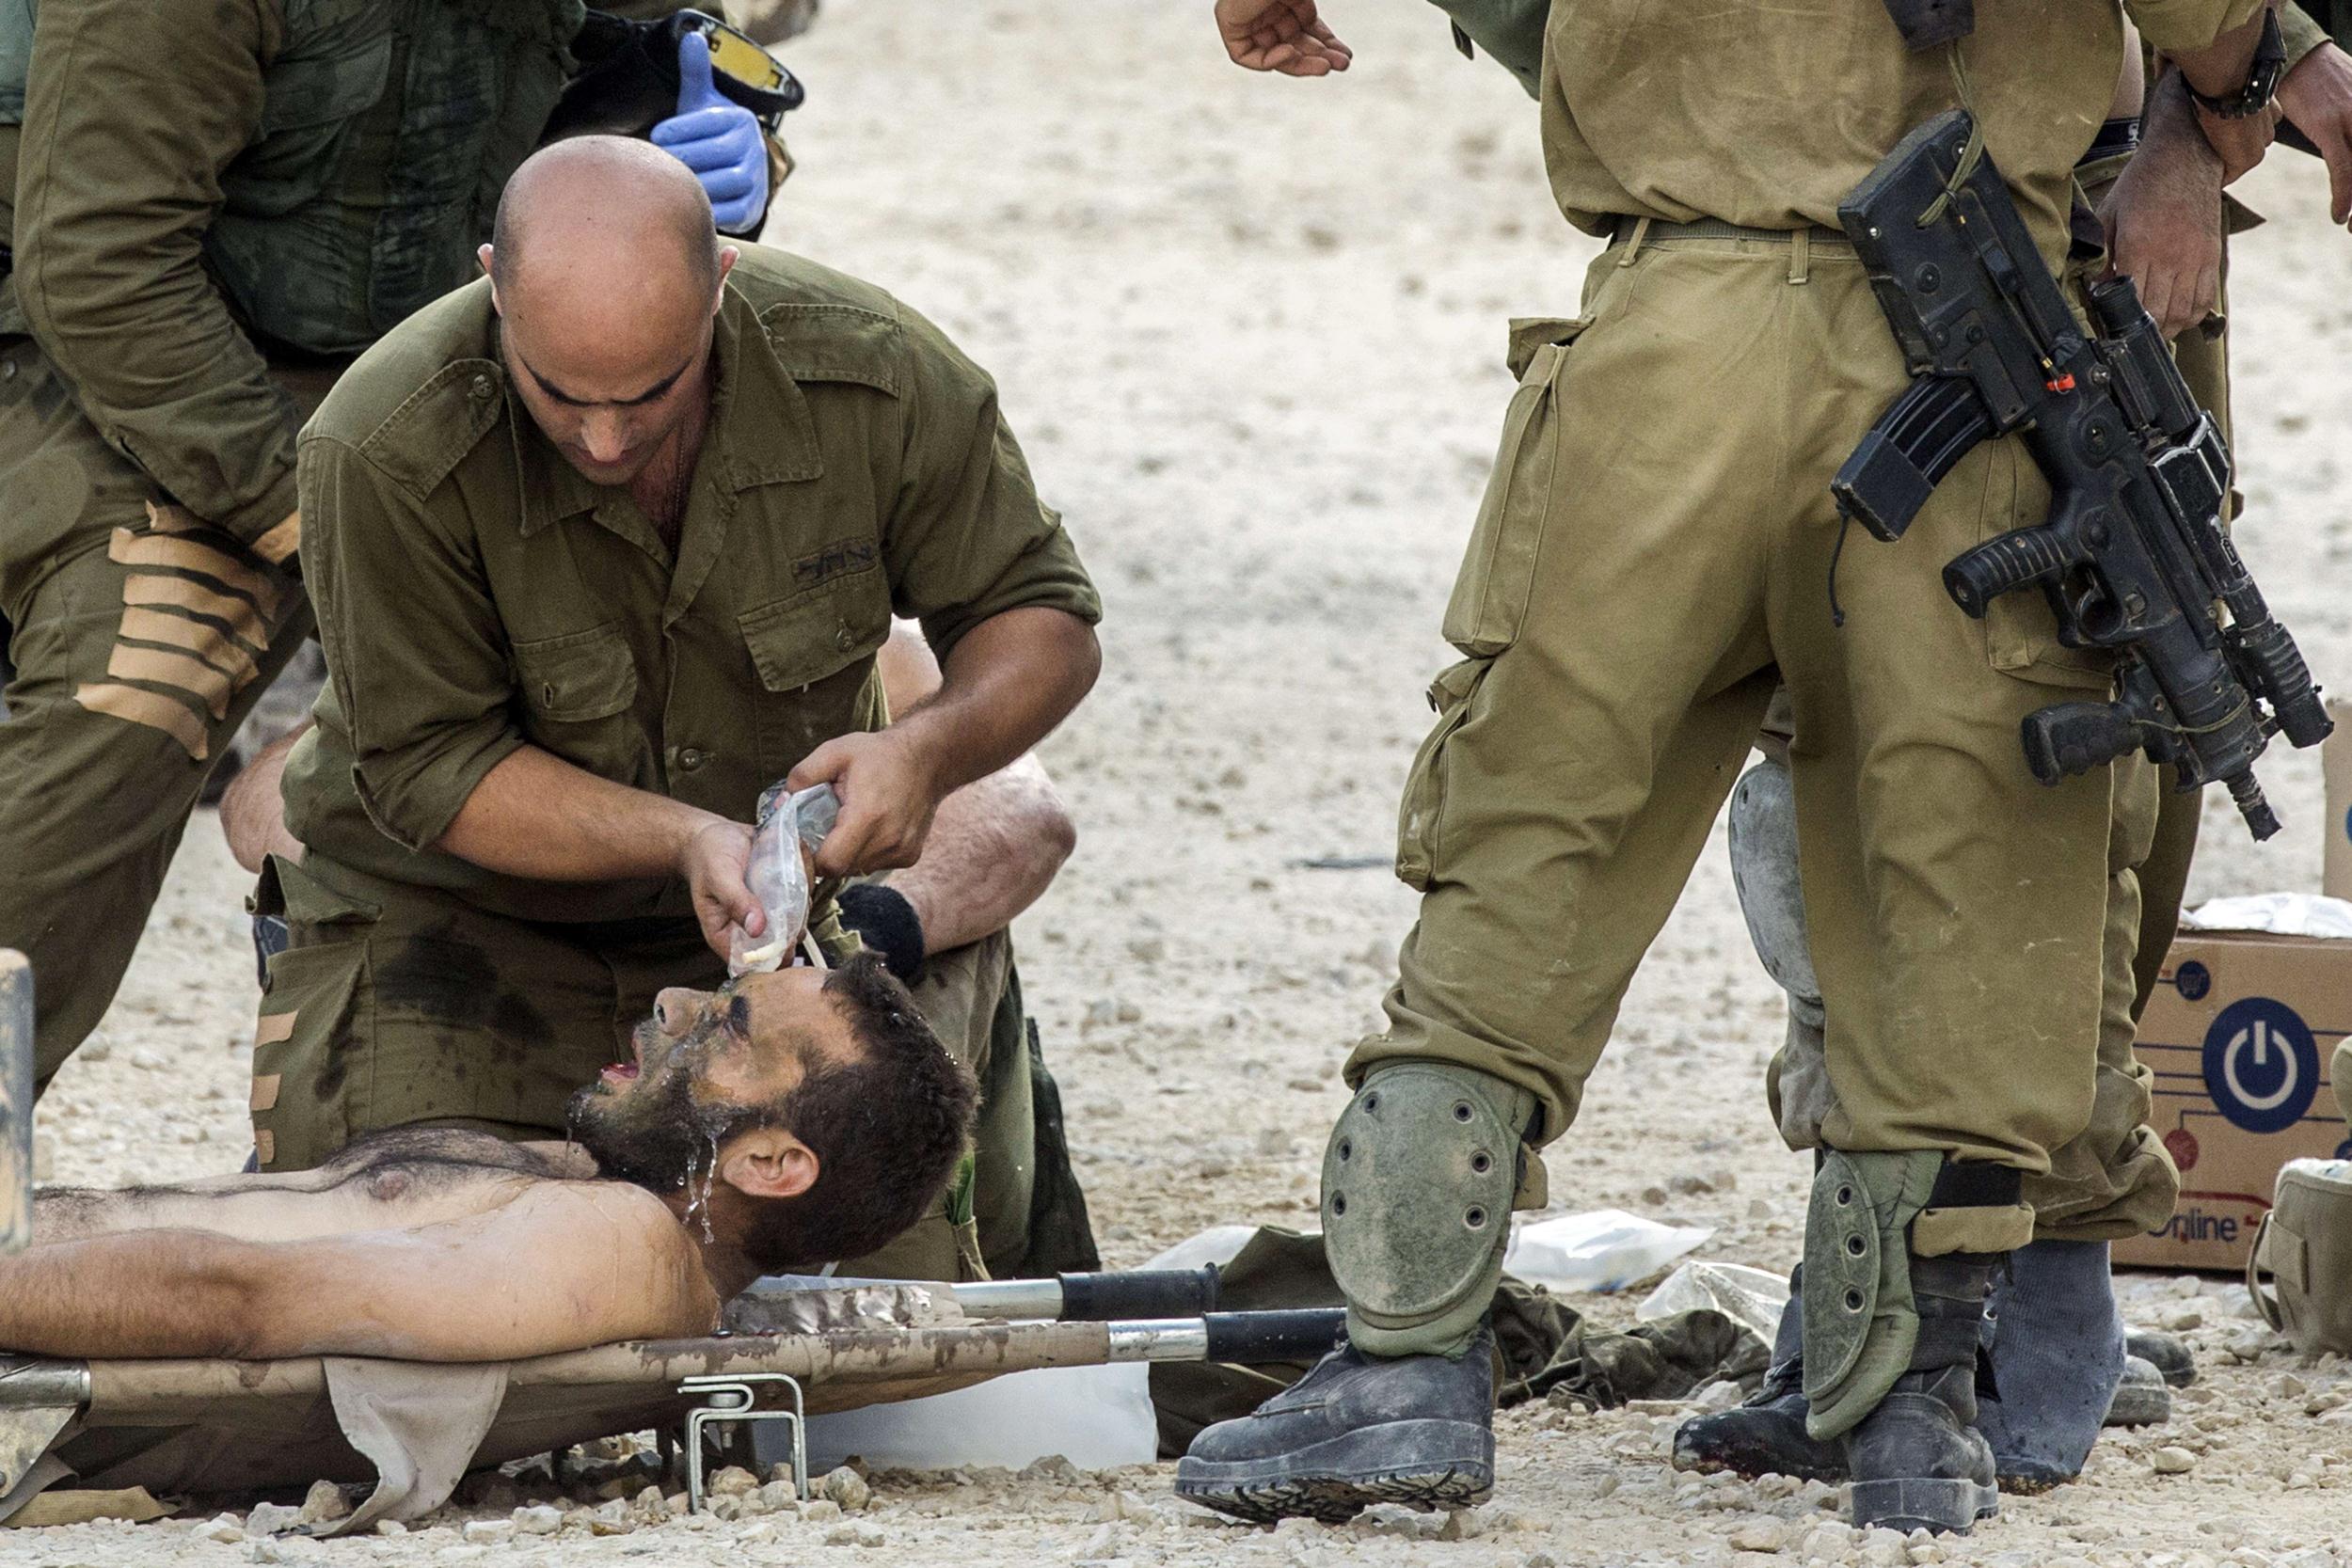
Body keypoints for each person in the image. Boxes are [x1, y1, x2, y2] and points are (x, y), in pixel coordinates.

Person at [1187, 0, 2280, 1535]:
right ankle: (1914, 1409)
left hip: (1677, 326)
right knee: (1962, 883)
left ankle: (1408, 1361)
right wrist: (2239, 93)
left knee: (1535, 841)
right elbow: (2218, 36)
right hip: (1977, 334)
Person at [258, 136, 1101, 1287]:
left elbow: (1041, 616)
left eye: (653, 390)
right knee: (413, 1275)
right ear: (494, 283)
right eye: (560, 394)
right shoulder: (381, 441)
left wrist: (927, 748)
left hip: (767, 968)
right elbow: (430, 769)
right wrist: (686, 835)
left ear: (722, 283)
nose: (605, 440)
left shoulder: (875, 371)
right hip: (457, 923)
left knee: (883, 1312)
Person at [0, 0, 787, 1090]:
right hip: (103, 340)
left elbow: (670, 68)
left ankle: (614, 1098)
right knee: (156, 652)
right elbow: (100, 271)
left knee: (719, 588)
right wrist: (340, 529)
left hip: (424, 332)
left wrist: (717, 163)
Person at [223, 617, 1087, 1280]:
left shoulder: (833, 639)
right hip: (511, 1002)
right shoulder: (452, 645)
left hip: (778, 1031)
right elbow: (271, 804)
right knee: (408, 1250)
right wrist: (537, 842)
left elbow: (1023, 814)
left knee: (889, 1353)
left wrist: (854, 945)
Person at [0, 956, 974, 1361]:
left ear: (768, 1162)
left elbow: (234, 1297)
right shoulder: (599, 1181)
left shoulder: (621, 1247)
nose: (675, 1003)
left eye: (729, 1025)